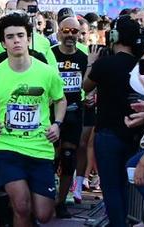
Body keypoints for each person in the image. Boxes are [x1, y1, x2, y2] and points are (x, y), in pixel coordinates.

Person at [0, 14, 66, 226]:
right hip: (7, 146)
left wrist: (57, 124)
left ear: (28, 38)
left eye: (21, 35)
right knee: (21, 205)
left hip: (40, 147)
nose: (16, 40)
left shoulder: (47, 73)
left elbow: (61, 100)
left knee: (43, 214)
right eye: (10, 37)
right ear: (3, 43)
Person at [82, 15, 144, 227]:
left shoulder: (104, 64)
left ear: (115, 36)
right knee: (127, 184)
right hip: (136, 132)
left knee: (110, 186)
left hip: (108, 134)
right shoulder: (142, 65)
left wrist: (91, 63)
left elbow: (86, 87)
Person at [50, 16, 89, 217]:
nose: (70, 36)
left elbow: (88, 83)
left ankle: (61, 202)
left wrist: (90, 95)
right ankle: (46, 198)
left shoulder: (84, 56)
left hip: (74, 111)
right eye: (66, 31)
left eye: (75, 32)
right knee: (52, 158)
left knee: (69, 158)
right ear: (59, 32)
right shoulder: (50, 54)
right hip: (52, 112)